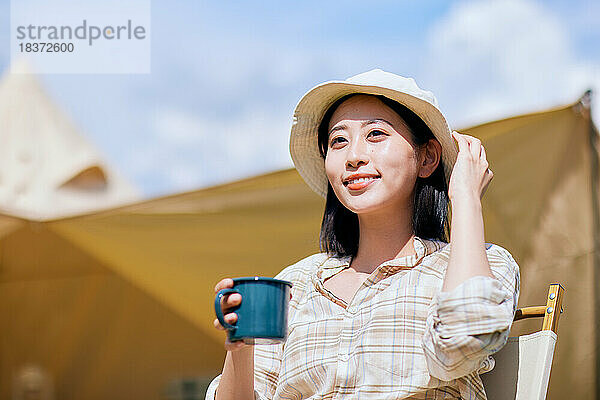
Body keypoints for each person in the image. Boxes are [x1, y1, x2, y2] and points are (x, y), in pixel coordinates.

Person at [207, 69, 520, 400]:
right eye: (339, 141)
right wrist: (239, 348)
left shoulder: (480, 264)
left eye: (375, 134)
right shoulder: (296, 284)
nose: (353, 156)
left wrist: (465, 197)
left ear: (426, 157)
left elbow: (462, 343)